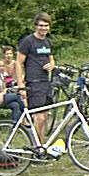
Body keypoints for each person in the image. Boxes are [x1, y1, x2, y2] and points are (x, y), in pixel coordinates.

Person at [16, 12, 57, 153]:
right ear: (35, 26)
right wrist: (21, 84)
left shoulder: (47, 42)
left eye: (46, 26)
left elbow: (51, 58)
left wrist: (51, 65)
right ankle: (37, 148)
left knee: (44, 117)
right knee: (39, 117)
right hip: (34, 82)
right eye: (41, 25)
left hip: (45, 82)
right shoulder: (28, 41)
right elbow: (18, 63)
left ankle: (41, 146)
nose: (43, 28)